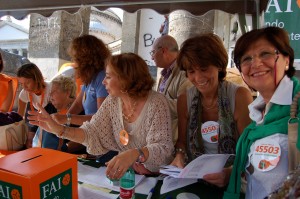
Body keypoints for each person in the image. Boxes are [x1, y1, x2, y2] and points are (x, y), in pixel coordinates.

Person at [28, 53, 174, 177]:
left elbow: (164, 149)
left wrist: (135, 154)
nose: (104, 82)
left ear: (126, 80)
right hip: (128, 176)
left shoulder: (156, 102)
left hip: (156, 177)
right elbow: (92, 133)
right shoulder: (113, 101)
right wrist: (58, 130)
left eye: (108, 77)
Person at [224, 27, 298, 199]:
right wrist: (231, 174)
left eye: (265, 54)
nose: (256, 64)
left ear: (286, 60)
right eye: (247, 58)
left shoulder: (298, 107)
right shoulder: (257, 114)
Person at [171, 33, 253, 188]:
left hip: (235, 181)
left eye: (204, 68)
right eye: (191, 71)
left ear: (219, 65)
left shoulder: (240, 96)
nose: (198, 77)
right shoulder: (184, 100)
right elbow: (181, 142)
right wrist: (179, 155)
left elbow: (249, 149)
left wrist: (231, 173)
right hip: (194, 178)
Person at [52, 35, 110, 153]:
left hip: (101, 141)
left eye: (75, 59)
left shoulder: (101, 78)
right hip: (90, 134)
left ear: (86, 59)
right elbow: (78, 104)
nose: (73, 63)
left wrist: (66, 119)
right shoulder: (90, 78)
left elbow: (100, 119)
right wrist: (60, 121)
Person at [151, 35, 192, 144]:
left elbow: (187, 106)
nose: (152, 57)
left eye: (153, 52)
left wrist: (152, 102)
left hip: (177, 142)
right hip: (164, 139)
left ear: (163, 51)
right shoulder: (165, 73)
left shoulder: (185, 71)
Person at [31, 75, 76, 151]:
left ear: (67, 93)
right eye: (50, 92)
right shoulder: (49, 107)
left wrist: (64, 148)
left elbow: (83, 139)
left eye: (53, 92)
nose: (50, 95)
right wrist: (30, 135)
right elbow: (36, 127)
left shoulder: (79, 112)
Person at [17, 63, 52, 148]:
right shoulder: (24, 93)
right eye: (21, 84)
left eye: (27, 82)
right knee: (30, 144)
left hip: (51, 119)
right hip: (35, 121)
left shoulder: (51, 88)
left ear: (36, 79)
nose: (24, 87)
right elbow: (19, 116)